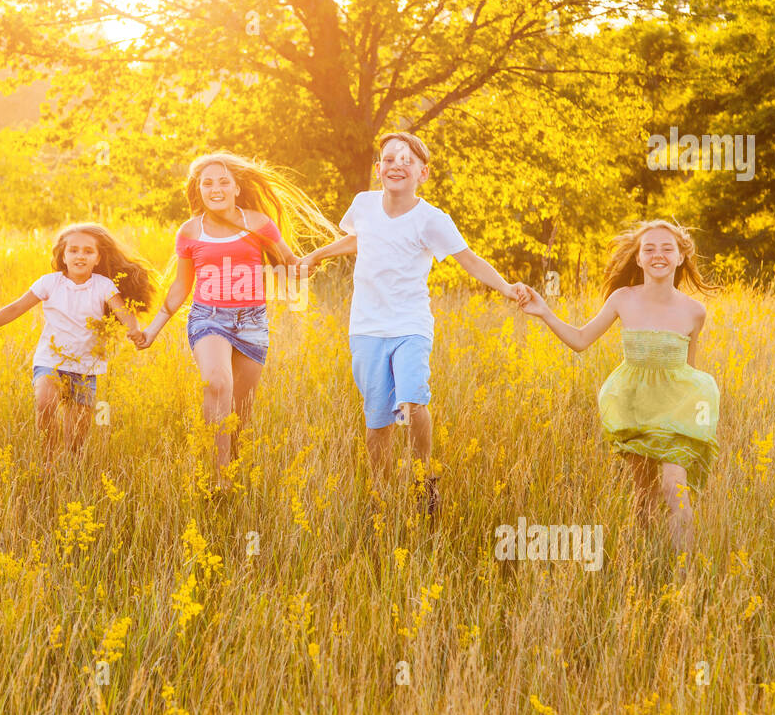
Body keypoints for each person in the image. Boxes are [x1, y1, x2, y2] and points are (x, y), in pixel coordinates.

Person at [299, 131, 527, 515]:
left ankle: (424, 480)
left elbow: (468, 259)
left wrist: (506, 287)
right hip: (367, 328)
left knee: (411, 400)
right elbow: (361, 240)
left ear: (423, 173)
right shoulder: (364, 205)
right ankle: (380, 495)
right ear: (378, 169)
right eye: (389, 159)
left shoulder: (431, 220)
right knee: (378, 417)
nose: (397, 165)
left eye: (407, 161)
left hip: (410, 325)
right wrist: (316, 256)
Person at [519, 219, 720, 551]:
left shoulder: (694, 311)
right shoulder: (622, 299)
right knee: (643, 494)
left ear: (681, 256)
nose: (659, 255)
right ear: (638, 259)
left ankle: (684, 574)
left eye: (667, 248)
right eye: (649, 249)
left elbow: (691, 370)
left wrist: (696, 418)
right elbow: (581, 340)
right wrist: (545, 312)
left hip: (678, 407)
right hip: (635, 405)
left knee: (674, 487)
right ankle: (643, 562)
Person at [139, 152, 337, 472]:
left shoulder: (258, 223)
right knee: (217, 383)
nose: (215, 188)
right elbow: (180, 288)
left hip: (252, 322)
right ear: (198, 190)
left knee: (239, 418)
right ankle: (216, 479)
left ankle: (234, 479)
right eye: (207, 183)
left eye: (223, 181)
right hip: (208, 317)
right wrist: (152, 329)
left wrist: (318, 259)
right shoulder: (190, 231)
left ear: (236, 188)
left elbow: (291, 264)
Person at [0, 223, 152, 453]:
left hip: (85, 367)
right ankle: (48, 460)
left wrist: (134, 330)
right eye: (73, 250)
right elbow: (15, 308)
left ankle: (69, 472)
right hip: (50, 360)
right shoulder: (49, 283)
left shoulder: (103, 286)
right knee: (45, 403)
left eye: (87, 251)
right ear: (63, 256)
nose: (80, 256)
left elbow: (124, 312)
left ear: (98, 258)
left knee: (75, 440)